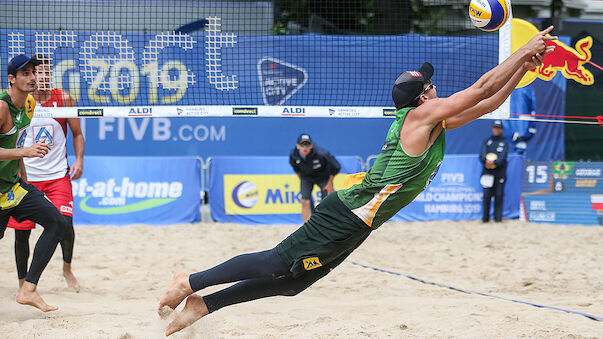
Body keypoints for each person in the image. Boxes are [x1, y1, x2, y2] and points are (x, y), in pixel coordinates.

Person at [158, 26, 557, 336]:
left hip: (360, 222)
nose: (438, 88)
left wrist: (524, 66)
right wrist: (520, 50)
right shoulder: (420, 118)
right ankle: (191, 281)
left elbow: (491, 101)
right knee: (277, 262)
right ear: (423, 99)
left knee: (292, 284)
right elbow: (481, 88)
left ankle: (202, 306)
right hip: (346, 213)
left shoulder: (435, 122)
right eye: (431, 86)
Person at [6, 55, 84, 292]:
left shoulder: (63, 99)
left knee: (65, 224)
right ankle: (23, 282)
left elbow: (77, 134)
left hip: (58, 175)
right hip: (28, 177)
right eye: (38, 73)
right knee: (22, 234)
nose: (42, 77)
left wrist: (79, 159)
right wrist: (20, 167)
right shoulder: (20, 102)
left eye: (47, 73)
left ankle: (67, 269)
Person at [0, 54, 68, 312]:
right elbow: (19, 149)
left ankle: (28, 289)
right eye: (25, 73)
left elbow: (15, 142)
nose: (33, 77)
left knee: (57, 222)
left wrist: (24, 179)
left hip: (12, 186)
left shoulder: (28, 104)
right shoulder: (2, 107)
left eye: (34, 72)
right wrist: (25, 153)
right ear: (11, 79)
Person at [289, 133, 341, 222]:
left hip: (323, 177)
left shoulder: (322, 153)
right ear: (298, 146)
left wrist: (329, 184)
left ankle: (326, 223)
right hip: (306, 177)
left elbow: (336, 167)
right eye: (302, 144)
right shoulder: (293, 155)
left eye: (307, 144)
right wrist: (302, 181)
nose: (305, 147)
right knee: (305, 201)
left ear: (311, 145)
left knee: (326, 201)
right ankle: (307, 227)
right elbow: (296, 169)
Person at [480, 120, 509, 223]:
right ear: (492, 128)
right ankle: (485, 219)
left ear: (501, 129)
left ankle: (498, 219)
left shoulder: (504, 142)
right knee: (486, 196)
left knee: (499, 195)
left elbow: (502, 158)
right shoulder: (487, 141)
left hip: (499, 173)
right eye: (495, 127)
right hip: (487, 173)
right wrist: (486, 161)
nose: (496, 129)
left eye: (499, 127)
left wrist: (494, 162)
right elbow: (482, 155)